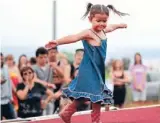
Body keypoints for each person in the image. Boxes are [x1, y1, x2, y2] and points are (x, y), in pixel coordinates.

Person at [46, 3, 128, 123]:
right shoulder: (89, 33)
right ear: (90, 19)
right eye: (98, 20)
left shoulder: (104, 31)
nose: (101, 24)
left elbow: (111, 27)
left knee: (86, 96)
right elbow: (73, 37)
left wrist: (120, 25)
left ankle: (67, 113)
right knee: (96, 96)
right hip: (89, 70)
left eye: (104, 21)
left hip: (97, 70)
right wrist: (57, 42)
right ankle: (94, 120)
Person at [1, 53, 16, 120]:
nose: (0, 61)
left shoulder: (6, 68)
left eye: (1, 59)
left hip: (7, 100)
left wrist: (11, 97)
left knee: (12, 119)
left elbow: (9, 83)